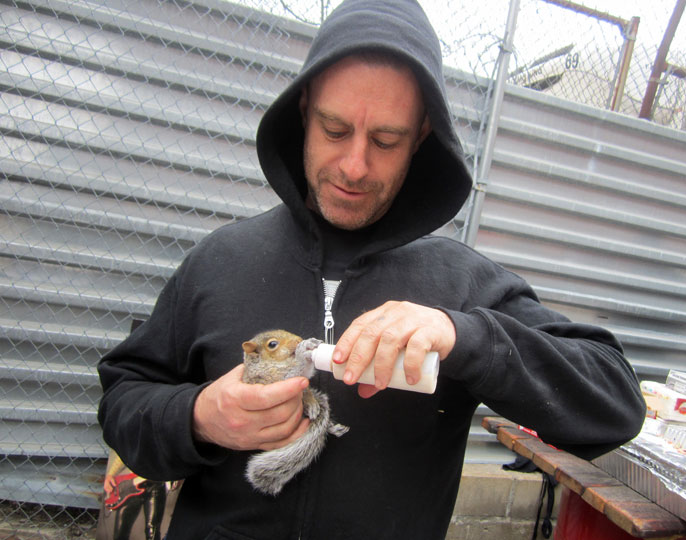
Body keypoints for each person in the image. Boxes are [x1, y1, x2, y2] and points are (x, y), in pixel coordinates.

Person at [97, 0, 646, 538]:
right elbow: (123, 402)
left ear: (422, 135)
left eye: (386, 140)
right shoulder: (220, 260)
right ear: (304, 110)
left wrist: (466, 337)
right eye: (335, 130)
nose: (355, 166)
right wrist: (199, 417)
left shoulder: (463, 282)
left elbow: (616, 404)